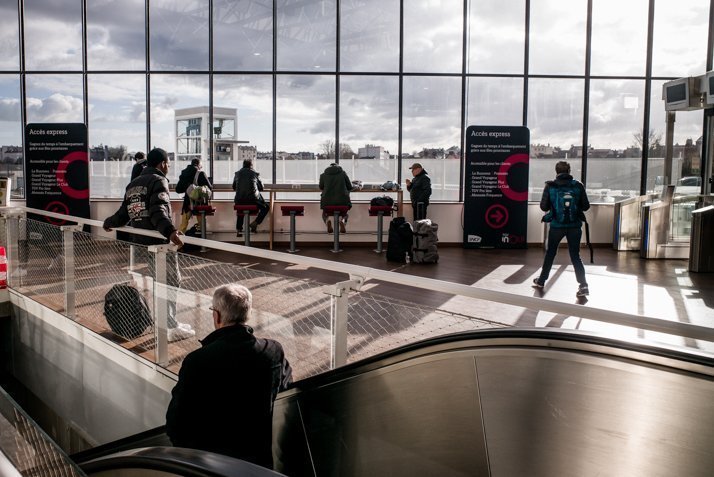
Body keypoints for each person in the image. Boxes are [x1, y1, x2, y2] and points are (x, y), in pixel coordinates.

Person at [165, 284, 292, 469]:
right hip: (258, 465)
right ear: (247, 314)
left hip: (212, 465)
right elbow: (287, 389)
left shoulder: (197, 361)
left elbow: (176, 425)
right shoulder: (273, 351)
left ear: (216, 316)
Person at [103, 148, 195, 342]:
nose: (168, 167)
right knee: (171, 281)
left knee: (161, 282)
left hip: (142, 243)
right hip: (160, 243)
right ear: (162, 163)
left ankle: (167, 322)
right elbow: (158, 211)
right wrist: (171, 232)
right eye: (168, 163)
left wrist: (109, 222)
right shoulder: (159, 181)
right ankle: (169, 326)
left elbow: (123, 214)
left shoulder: (133, 184)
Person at [533, 161, 591, 297]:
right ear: (569, 171)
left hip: (556, 226)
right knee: (575, 256)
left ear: (556, 171)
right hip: (574, 226)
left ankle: (541, 280)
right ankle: (583, 285)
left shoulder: (550, 186)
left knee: (551, 253)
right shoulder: (578, 186)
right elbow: (586, 206)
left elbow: (544, 207)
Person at [176, 158, 213, 233]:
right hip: (199, 204)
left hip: (187, 204)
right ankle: (201, 243)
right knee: (201, 226)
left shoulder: (184, 174)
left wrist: (188, 189)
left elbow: (178, 189)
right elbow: (209, 187)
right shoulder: (200, 173)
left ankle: (177, 242)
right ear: (199, 165)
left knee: (183, 225)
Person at [233, 160, 269, 235]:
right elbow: (262, 187)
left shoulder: (237, 174)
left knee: (241, 208)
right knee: (266, 207)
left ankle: (239, 228)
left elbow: (234, 187)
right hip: (253, 200)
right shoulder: (255, 173)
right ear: (251, 166)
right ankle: (255, 223)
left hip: (239, 201)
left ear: (243, 165)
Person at [319, 162, 353, 233]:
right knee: (345, 214)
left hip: (327, 203)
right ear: (338, 167)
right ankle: (343, 221)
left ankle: (327, 221)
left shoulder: (323, 175)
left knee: (324, 214)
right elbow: (349, 187)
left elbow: (321, 187)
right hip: (343, 202)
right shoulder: (343, 174)